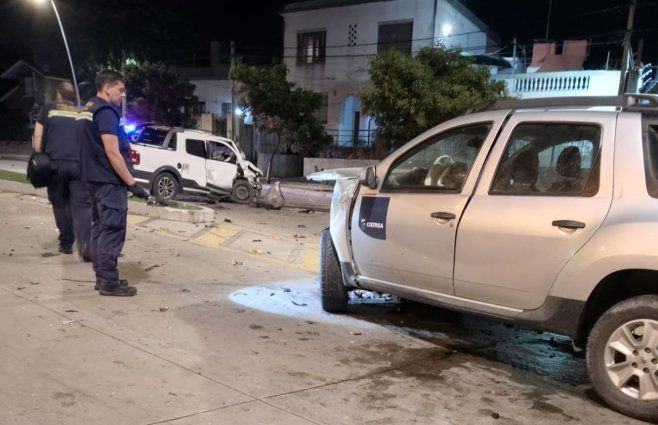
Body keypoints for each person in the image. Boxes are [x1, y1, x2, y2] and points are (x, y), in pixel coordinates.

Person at [78, 69, 151, 296]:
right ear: (107, 87)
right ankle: (109, 283)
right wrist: (131, 183)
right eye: (120, 90)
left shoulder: (87, 109)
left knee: (99, 229)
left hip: (92, 180)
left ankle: (102, 277)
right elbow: (112, 151)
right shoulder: (107, 112)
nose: (122, 96)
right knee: (113, 230)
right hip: (109, 182)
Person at [33, 82, 92, 259]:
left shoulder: (48, 110)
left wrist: (39, 156)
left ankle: (67, 243)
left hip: (55, 164)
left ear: (59, 95)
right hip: (78, 165)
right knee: (81, 206)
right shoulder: (81, 112)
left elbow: (38, 136)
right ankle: (85, 244)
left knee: (59, 203)